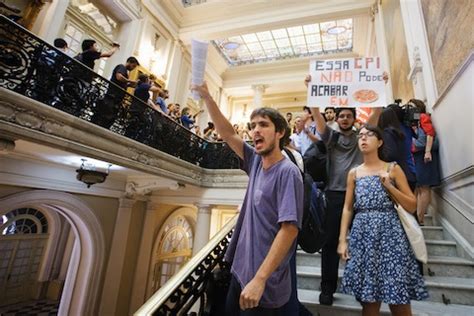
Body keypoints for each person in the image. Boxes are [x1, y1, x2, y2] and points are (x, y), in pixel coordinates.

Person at [192, 82, 303, 315]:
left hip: (264, 285)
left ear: (280, 132)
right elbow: (228, 133)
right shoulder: (254, 161)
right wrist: (208, 97)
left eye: (263, 125)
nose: (256, 131)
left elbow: (289, 229)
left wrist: (260, 279)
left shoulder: (287, 172)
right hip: (241, 274)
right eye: (253, 126)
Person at [305, 73, 385, 306]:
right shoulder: (331, 139)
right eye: (342, 116)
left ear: (353, 119)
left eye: (349, 116)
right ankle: (327, 288)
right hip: (334, 195)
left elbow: (376, 115)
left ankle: (362, 288)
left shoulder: (364, 136)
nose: (345, 119)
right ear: (337, 119)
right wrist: (311, 90)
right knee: (329, 242)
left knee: (361, 242)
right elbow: (318, 117)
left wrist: (381, 86)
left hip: (361, 196)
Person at [337, 125, 428, 315]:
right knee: (369, 301)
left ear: (379, 142)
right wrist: (342, 240)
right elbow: (347, 208)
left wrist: (390, 187)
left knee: (399, 299)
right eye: (360, 135)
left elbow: (412, 205)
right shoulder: (354, 173)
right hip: (363, 236)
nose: (363, 138)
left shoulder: (392, 169)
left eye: (369, 135)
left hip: (391, 236)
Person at [410, 99, 441, 225]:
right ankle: (418, 217)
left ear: (418, 107)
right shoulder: (412, 121)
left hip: (424, 155)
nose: (409, 109)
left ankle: (420, 218)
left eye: (412, 107)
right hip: (417, 156)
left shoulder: (422, 117)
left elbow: (430, 133)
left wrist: (427, 151)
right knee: (419, 187)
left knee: (424, 186)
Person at [91, 56, 140, 128]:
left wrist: (130, 85)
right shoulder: (122, 67)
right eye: (133, 66)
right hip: (112, 97)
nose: (132, 68)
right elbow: (119, 77)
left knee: (108, 118)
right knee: (105, 118)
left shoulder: (125, 71)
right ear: (129, 62)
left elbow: (122, 83)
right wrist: (129, 81)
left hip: (115, 99)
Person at [378, 107, 417, 191]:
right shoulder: (403, 130)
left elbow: (391, 154)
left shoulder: (387, 132)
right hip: (410, 170)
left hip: (398, 174)